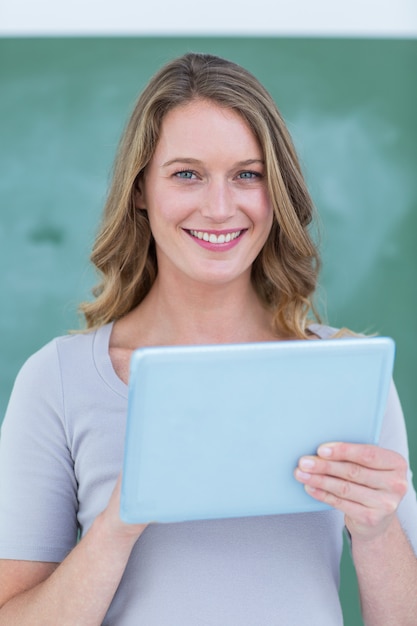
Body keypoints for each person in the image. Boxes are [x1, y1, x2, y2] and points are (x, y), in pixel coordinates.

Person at [0, 52, 416, 626]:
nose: (220, 208)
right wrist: (123, 519)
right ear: (141, 190)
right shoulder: (58, 380)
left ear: (277, 192)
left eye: (247, 174)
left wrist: (376, 532)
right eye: (186, 174)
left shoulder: (348, 377)